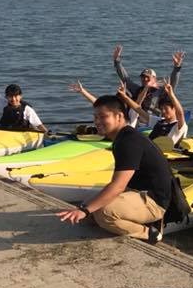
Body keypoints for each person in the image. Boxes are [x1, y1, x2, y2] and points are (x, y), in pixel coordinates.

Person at [55, 94, 173, 243]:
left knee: (104, 212)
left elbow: (117, 186)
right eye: (95, 117)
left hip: (154, 202)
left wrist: (85, 210)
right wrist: (86, 208)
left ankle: (149, 232)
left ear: (119, 116)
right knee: (90, 207)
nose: (97, 122)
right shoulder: (122, 137)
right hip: (136, 192)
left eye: (103, 117)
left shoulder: (129, 141)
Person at [112, 45, 185, 113]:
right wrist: (117, 61)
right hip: (138, 119)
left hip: (154, 120)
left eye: (148, 77)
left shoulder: (161, 91)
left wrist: (176, 67)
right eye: (143, 77)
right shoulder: (137, 89)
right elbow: (125, 78)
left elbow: (172, 83)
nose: (145, 79)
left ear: (154, 79)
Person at [115, 81, 188, 146]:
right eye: (161, 109)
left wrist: (171, 94)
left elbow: (180, 113)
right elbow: (138, 109)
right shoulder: (159, 121)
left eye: (166, 109)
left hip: (165, 154)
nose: (163, 111)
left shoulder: (179, 126)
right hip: (150, 150)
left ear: (174, 109)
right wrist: (124, 96)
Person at [0, 67, 47, 132]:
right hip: (5, 132)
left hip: (22, 134)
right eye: (10, 96)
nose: (13, 99)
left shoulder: (27, 109)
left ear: (20, 96)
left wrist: (48, 134)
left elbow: (39, 125)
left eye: (16, 96)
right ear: (6, 97)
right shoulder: (4, 103)